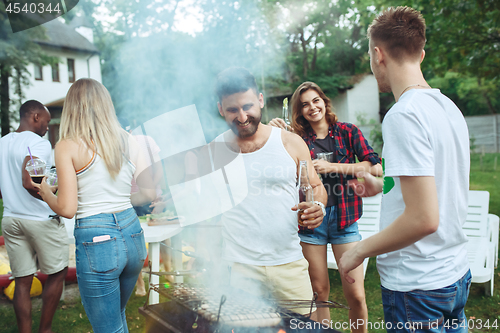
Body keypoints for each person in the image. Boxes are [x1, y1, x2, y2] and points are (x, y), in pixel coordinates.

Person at [338, 6, 471, 332]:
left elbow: (423, 218)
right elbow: (432, 181)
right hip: (455, 275)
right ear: (421, 54)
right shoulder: (448, 107)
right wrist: (380, 185)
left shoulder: (403, 115)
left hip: (419, 288)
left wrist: (357, 251)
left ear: (378, 55)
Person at [39, 78, 156, 333]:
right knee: (117, 318)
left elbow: (67, 208)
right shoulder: (130, 141)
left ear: (73, 107)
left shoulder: (66, 145)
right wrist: (122, 200)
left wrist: (46, 192)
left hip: (97, 240)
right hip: (133, 234)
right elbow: (149, 193)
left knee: (109, 328)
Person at [213, 67, 327, 320]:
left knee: (302, 326)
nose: (242, 117)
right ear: (221, 109)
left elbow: (316, 186)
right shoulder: (215, 150)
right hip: (239, 267)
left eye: (248, 106)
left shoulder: (290, 142)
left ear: (261, 100)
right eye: (233, 110)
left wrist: (318, 205)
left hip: (289, 262)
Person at [270, 82, 382, 329]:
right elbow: (272, 155)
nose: (312, 107)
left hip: (345, 219)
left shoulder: (348, 131)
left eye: (315, 100)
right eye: (305, 104)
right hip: (312, 222)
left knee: (356, 294)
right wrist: (271, 129)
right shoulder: (297, 139)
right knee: (319, 293)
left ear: (324, 101)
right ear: (300, 111)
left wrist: (335, 167)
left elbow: (375, 166)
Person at [0, 100, 69, 333]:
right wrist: (55, 199)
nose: (47, 128)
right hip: (39, 219)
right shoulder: (38, 143)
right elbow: (30, 181)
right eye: (47, 122)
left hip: (10, 218)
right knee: (58, 272)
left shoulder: (2, 143)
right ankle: (45, 330)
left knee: (22, 280)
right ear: (36, 117)